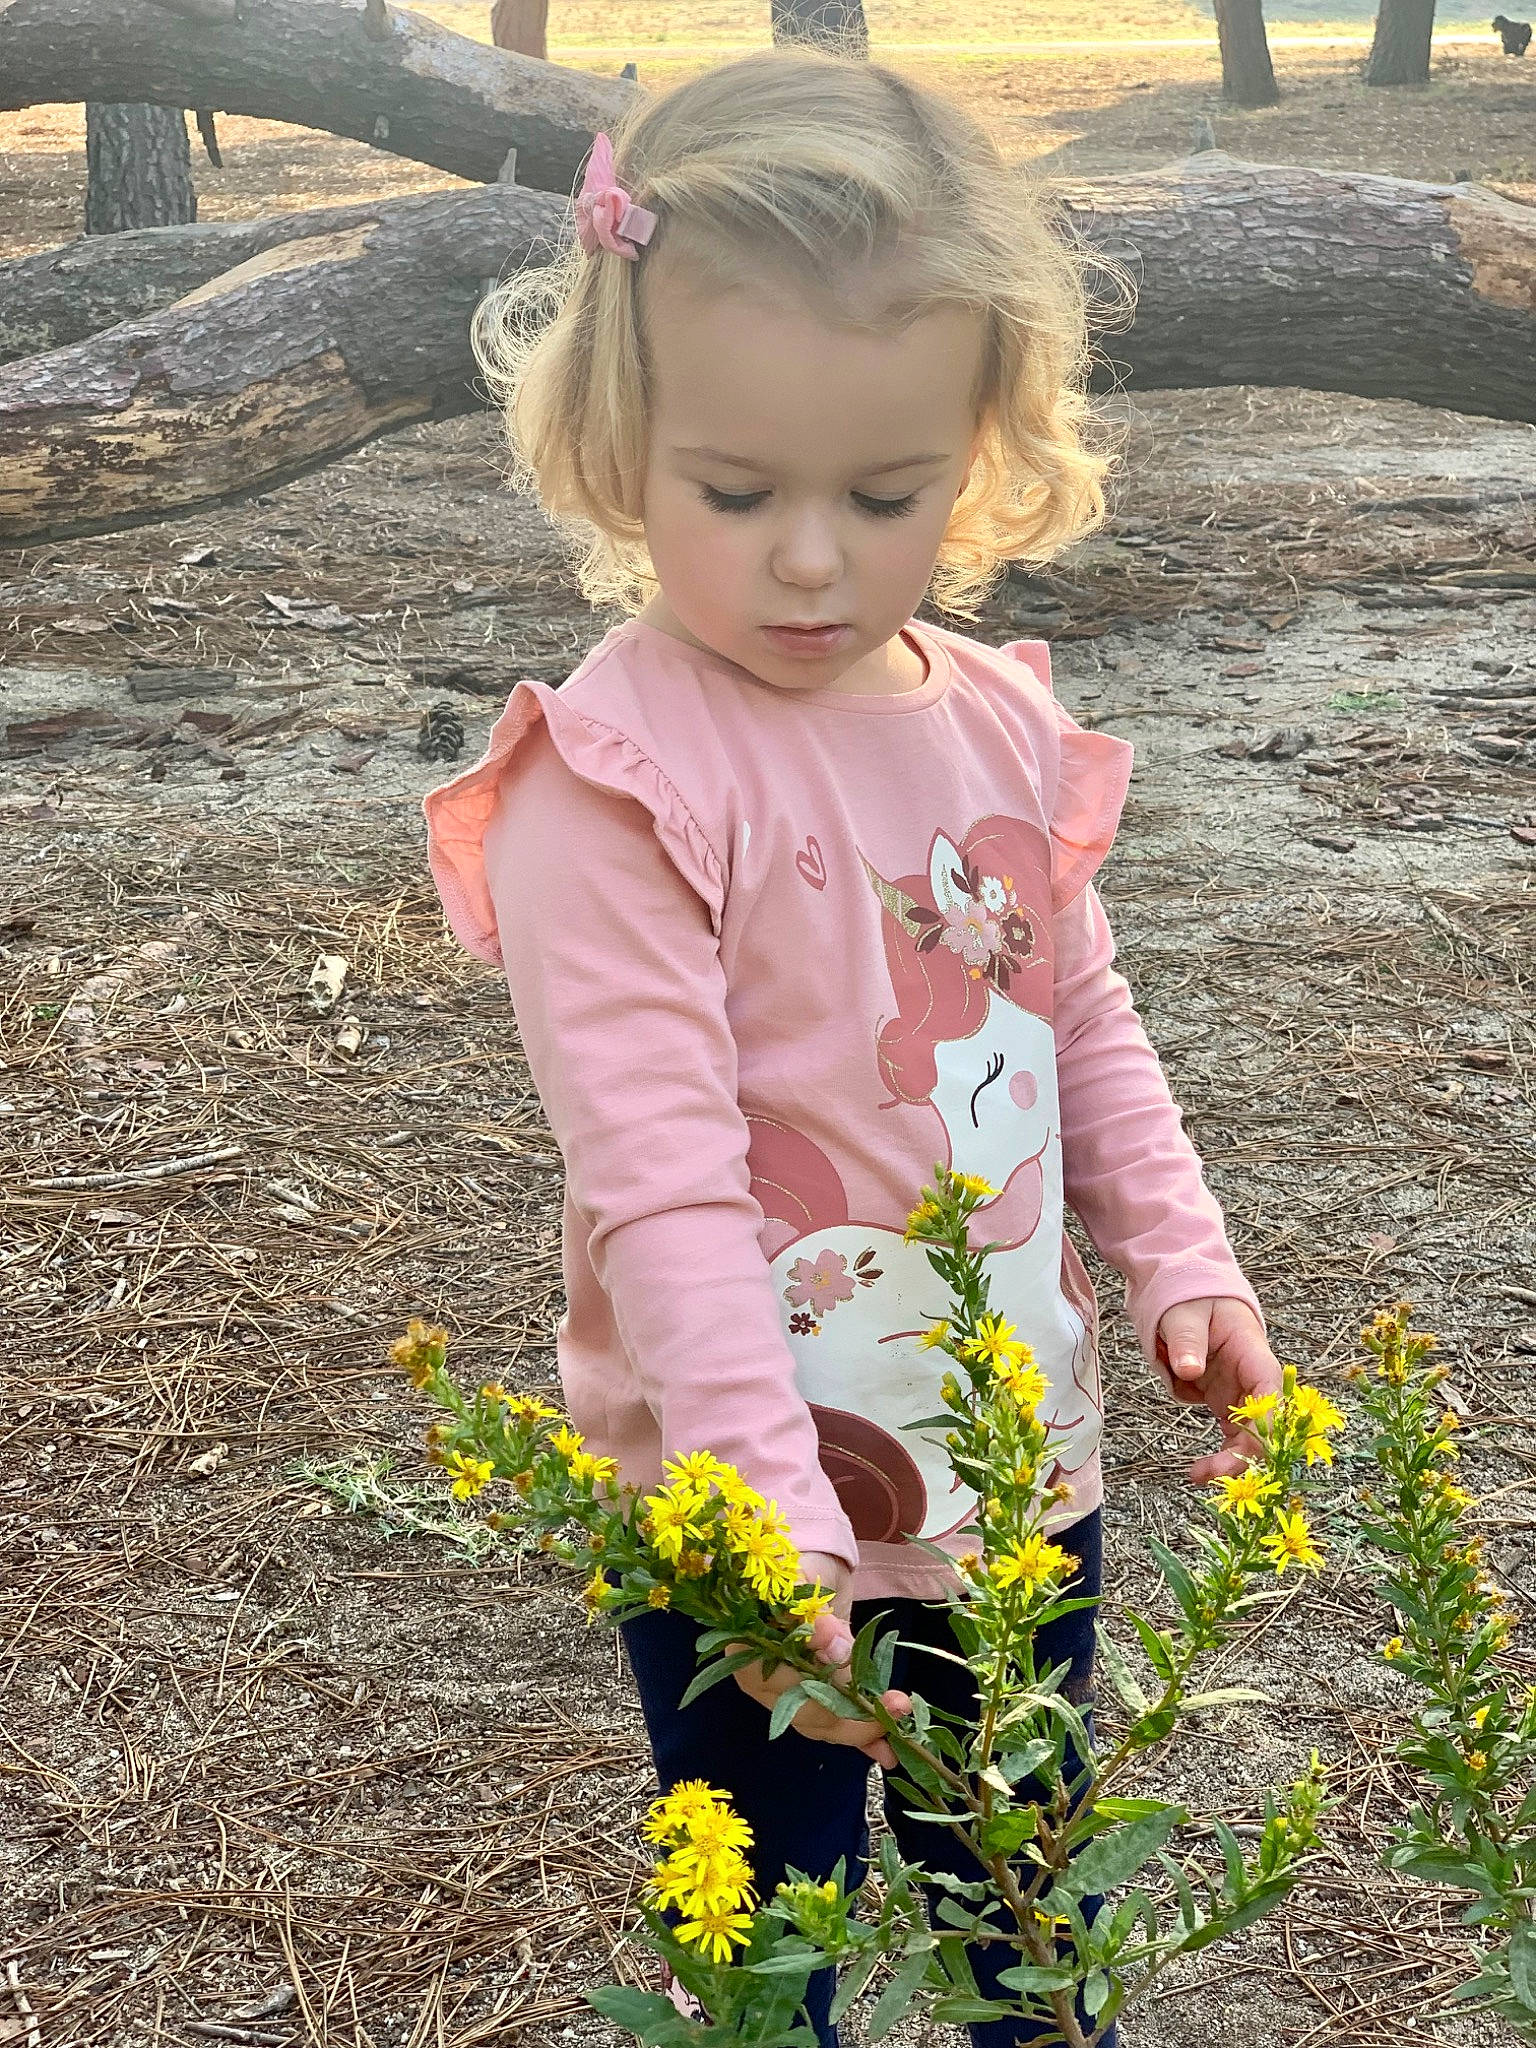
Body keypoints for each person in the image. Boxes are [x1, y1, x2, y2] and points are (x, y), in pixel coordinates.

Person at [423, 49, 1279, 2047]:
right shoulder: (618, 785)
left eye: (883, 496)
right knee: (764, 1933)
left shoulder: (991, 723)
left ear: (979, 449)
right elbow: (661, 1180)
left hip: (1011, 1462)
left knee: (1029, 1913)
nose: (811, 558)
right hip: (748, 1495)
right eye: (739, 494)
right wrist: (756, 1493)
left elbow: (1082, 1021)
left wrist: (1190, 1266)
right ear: (627, 441)